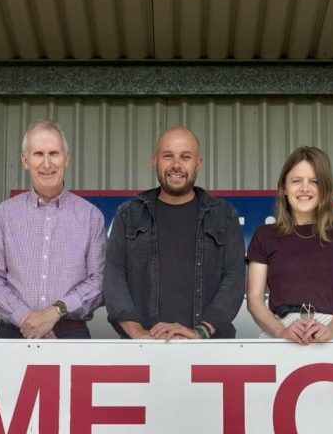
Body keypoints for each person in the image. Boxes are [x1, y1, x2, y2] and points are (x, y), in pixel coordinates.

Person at [104, 126, 245, 340]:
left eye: (185, 157)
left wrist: (200, 332)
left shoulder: (224, 215)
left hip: (209, 349)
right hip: (142, 349)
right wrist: (139, 334)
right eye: (168, 156)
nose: (176, 165)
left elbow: (234, 280)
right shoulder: (129, 214)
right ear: (155, 161)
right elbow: (114, 277)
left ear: (199, 163)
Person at [0, 119, 105, 339]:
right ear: (25, 160)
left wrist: (55, 313)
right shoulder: (5, 215)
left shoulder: (90, 216)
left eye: (54, 153)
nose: (47, 164)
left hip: (70, 334)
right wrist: (28, 320)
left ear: (66, 159)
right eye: (38, 154)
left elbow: (99, 279)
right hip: (13, 333)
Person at [246, 146, 333, 343]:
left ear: (325, 188)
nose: (304, 188)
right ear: (284, 187)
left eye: (314, 181)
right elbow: (254, 298)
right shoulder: (264, 235)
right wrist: (282, 332)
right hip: (281, 331)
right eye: (296, 181)